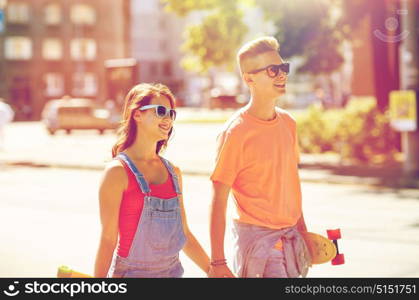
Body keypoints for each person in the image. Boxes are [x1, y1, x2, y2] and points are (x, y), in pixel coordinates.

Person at [208, 37, 311, 278]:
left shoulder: (288, 123)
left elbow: (290, 181)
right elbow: (218, 200)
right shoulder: (235, 132)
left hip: (291, 241)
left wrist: (304, 232)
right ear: (249, 78)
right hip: (259, 248)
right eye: (272, 70)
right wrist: (217, 262)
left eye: (283, 68)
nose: (281, 75)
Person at [94, 83, 210, 278]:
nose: (168, 119)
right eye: (161, 111)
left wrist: (213, 270)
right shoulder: (117, 172)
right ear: (137, 115)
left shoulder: (174, 172)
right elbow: (107, 239)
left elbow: (184, 234)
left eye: (171, 113)